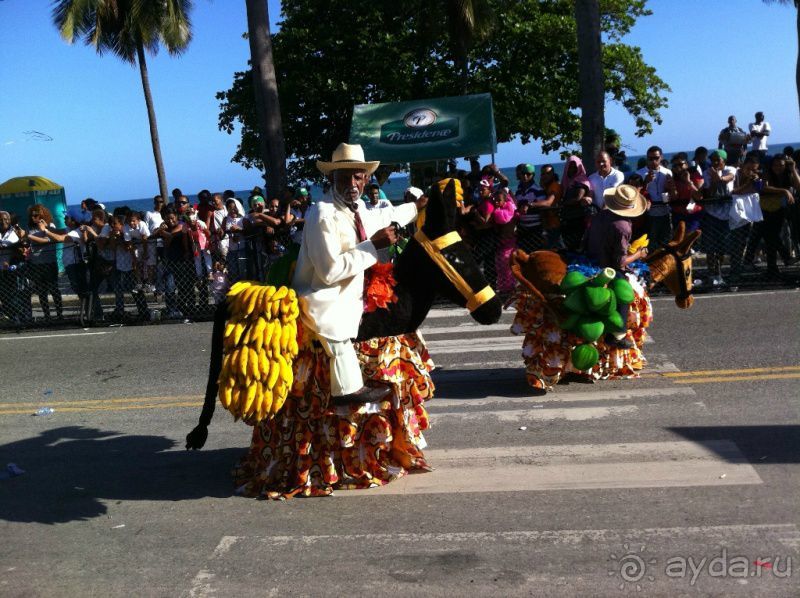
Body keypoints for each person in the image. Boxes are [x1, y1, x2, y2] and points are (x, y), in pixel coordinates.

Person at [293, 142, 421, 405]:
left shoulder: (359, 208)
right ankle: (347, 390)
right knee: (335, 330)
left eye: (358, 176)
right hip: (323, 297)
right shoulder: (322, 213)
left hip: (354, 295)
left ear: (366, 179)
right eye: (344, 177)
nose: (352, 183)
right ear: (331, 178)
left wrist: (418, 208)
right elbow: (329, 272)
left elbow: (387, 215)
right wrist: (374, 246)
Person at [584, 184, 648, 349]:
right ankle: (616, 335)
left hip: (589, 259)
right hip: (606, 267)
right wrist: (638, 254)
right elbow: (619, 262)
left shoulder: (601, 215)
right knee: (624, 293)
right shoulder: (623, 226)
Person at [701, 149, 737, 286]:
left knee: (723, 246)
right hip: (711, 214)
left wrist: (719, 178)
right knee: (710, 247)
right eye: (713, 160)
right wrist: (715, 181)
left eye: (718, 160)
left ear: (724, 161)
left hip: (727, 215)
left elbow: (730, 178)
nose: (715, 162)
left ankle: (720, 271)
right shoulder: (707, 172)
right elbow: (709, 192)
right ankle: (712, 273)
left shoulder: (730, 169)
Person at [24, 205, 63, 321]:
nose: (33, 218)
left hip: (49, 262)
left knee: (53, 289)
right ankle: (47, 315)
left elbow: (49, 240)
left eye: (36, 215)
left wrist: (31, 236)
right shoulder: (30, 228)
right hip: (36, 263)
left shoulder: (50, 226)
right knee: (41, 291)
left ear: (42, 215)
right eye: (32, 215)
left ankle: (59, 314)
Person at [636, 145, 675, 251]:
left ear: (661, 158)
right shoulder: (639, 174)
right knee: (648, 243)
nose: (653, 161)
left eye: (656, 158)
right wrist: (645, 182)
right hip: (648, 213)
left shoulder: (667, 172)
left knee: (665, 242)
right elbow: (636, 194)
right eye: (650, 158)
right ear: (647, 158)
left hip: (664, 211)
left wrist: (670, 187)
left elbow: (671, 192)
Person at [559, 156, 593, 252]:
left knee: (578, 246)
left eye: (575, 167)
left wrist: (562, 204)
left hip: (579, 218)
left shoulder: (581, 180)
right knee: (569, 245)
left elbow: (578, 198)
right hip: (568, 217)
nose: (572, 169)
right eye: (570, 167)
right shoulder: (567, 181)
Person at [491, 187, 517, 296]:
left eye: (499, 200)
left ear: (505, 201)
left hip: (508, 242)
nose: (496, 202)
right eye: (495, 200)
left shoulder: (506, 211)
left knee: (506, 265)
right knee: (501, 266)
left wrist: (496, 211)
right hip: (503, 241)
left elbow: (502, 219)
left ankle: (509, 288)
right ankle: (504, 288)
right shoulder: (509, 207)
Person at [514, 164, 545, 252]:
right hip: (522, 228)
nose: (525, 176)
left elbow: (542, 208)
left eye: (528, 174)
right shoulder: (519, 191)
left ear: (533, 175)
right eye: (523, 173)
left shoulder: (538, 190)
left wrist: (529, 205)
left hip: (535, 229)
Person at [670, 156, 704, 234]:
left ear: (686, 164)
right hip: (678, 214)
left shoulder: (695, 175)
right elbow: (674, 197)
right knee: (678, 239)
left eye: (680, 164)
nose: (678, 168)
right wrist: (671, 186)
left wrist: (688, 182)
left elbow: (699, 196)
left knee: (689, 237)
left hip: (693, 213)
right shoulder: (673, 179)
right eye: (675, 166)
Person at [222, 199, 246, 283]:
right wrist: (221, 232)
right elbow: (222, 234)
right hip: (231, 250)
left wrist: (239, 229)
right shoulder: (226, 219)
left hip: (242, 249)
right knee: (233, 272)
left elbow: (248, 232)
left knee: (243, 271)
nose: (233, 210)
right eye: (230, 208)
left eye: (234, 208)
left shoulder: (243, 219)